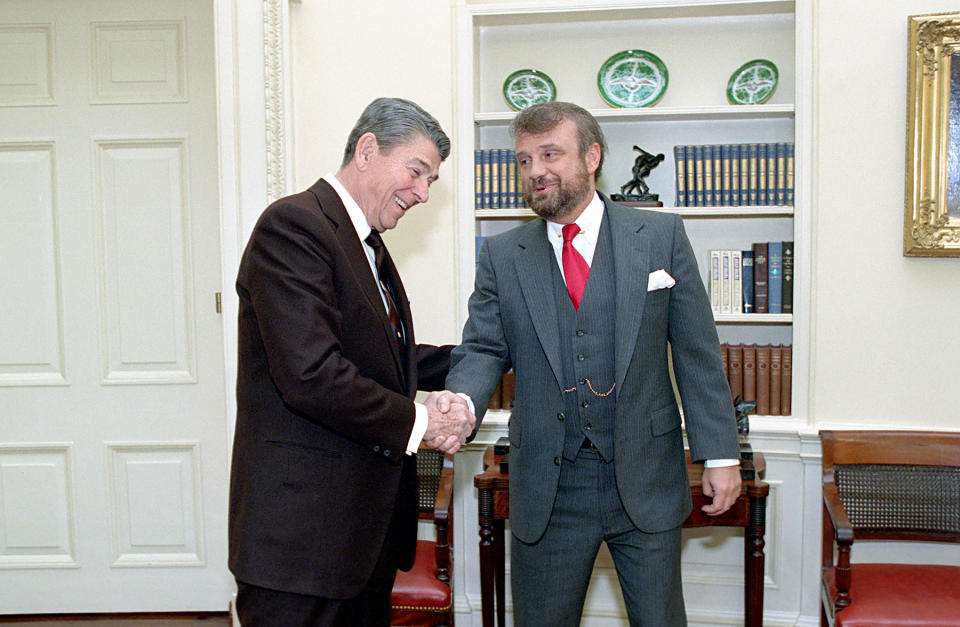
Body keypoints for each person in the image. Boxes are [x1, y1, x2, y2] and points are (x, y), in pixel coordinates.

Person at [443, 101, 741, 626]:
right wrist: (463, 401)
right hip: (548, 486)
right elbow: (484, 347)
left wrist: (720, 454)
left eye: (551, 154)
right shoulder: (502, 255)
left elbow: (696, 352)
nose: (536, 170)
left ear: (593, 156)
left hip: (646, 476)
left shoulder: (662, 237)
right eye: (524, 160)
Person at [228, 97, 474, 627]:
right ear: (367, 150)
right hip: (301, 546)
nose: (423, 193)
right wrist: (425, 421)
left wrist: (484, 357)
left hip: (360, 541)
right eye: (416, 172)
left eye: (431, 181)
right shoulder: (293, 227)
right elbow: (312, 374)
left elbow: (388, 361)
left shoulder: (369, 245)